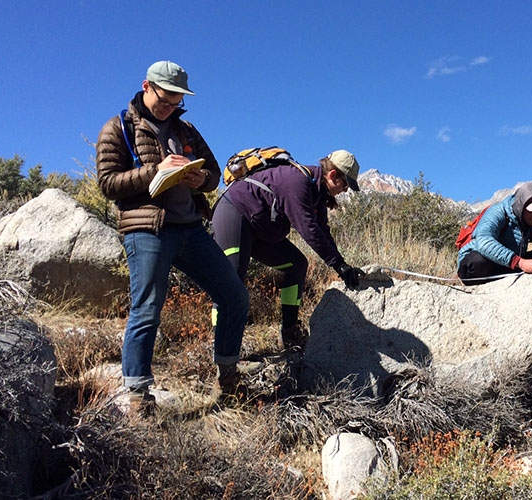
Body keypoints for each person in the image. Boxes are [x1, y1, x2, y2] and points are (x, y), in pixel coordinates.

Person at [96, 61, 250, 412]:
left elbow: (214, 173)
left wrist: (202, 180)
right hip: (147, 229)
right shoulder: (118, 128)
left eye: (177, 102)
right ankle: (137, 395)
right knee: (147, 308)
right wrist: (155, 171)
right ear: (146, 87)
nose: (170, 108)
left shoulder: (186, 130)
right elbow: (107, 183)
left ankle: (227, 378)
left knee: (234, 296)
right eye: (165, 100)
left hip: (191, 229)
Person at [211, 149, 366, 350]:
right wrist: (337, 264)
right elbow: (308, 229)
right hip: (234, 215)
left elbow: (323, 231)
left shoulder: (317, 193)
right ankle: (223, 352)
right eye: (345, 184)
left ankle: (289, 333)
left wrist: (343, 265)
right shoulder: (297, 182)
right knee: (232, 282)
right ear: (333, 175)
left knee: (297, 264)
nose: (345, 190)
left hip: (259, 229)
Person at [457, 182, 532, 285]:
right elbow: (483, 241)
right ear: (521, 205)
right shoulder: (498, 212)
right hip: (476, 264)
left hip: (510, 266)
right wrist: (520, 262)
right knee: (478, 263)